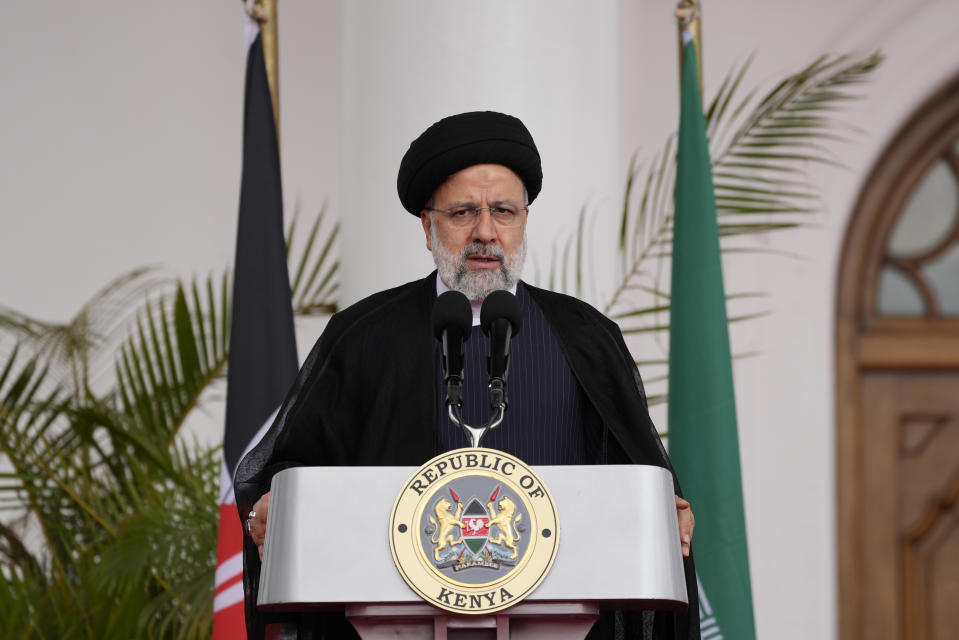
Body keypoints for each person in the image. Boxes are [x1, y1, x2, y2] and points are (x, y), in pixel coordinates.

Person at [235, 111, 699, 640]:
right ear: (427, 225)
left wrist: (667, 514)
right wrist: (273, 506)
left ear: (524, 219)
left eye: (503, 211)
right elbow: (295, 466)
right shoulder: (362, 335)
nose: (485, 232)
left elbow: (634, 475)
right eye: (463, 212)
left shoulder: (586, 336)